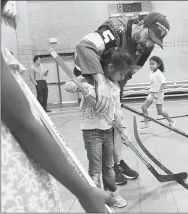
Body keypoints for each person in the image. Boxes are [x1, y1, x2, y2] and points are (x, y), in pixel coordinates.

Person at [1, 1, 115, 212]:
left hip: (25, 180)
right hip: (14, 191)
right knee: (96, 164)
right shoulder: (88, 81)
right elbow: (23, 123)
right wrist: (84, 191)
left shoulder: (111, 86)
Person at [74, 12, 170, 184]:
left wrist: (116, 91)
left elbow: (131, 70)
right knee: (102, 128)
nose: (148, 44)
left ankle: (116, 163)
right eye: (149, 37)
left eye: (154, 42)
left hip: (113, 80)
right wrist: (101, 83)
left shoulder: (147, 45)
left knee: (115, 123)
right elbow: (84, 47)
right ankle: (107, 167)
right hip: (92, 74)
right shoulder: (114, 29)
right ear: (141, 24)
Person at [65, 49, 135, 208]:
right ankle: (97, 199)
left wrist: (123, 131)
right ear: (110, 67)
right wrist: (85, 88)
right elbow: (68, 85)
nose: (122, 77)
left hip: (109, 131)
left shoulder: (116, 86)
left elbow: (117, 110)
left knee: (109, 167)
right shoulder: (90, 79)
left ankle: (113, 194)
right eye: (121, 73)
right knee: (95, 169)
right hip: (92, 133)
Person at [141, 56, 176, 130]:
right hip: (152, 94)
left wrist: (159, 93)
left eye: (153, 64)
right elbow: (154, 83)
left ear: (158, 64)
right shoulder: (152, 72)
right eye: (150, 64)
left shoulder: (159, 73)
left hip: (158, 95)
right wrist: (150, 89)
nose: (151, 65)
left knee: (159, 111)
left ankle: (171, 121)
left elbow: (164, 83)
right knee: (144, 107)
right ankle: (147, 124)